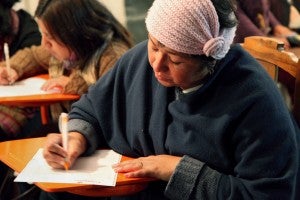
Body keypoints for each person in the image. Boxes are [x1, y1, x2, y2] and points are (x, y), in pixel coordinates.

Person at [42, 0, 300, 199]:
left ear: (210, 60)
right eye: (154, 46)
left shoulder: (255, 101)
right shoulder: (138, 60)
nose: (156, 64)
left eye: (175, 60)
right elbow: (91, 109)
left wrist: (175, 169)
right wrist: (75, 138)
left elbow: (266, 193)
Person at [0, 0, 133, 140]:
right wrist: (12, 68)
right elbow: (32, 55)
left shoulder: (113, 56)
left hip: (98, 140)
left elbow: (110, 109)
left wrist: (76, 84)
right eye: (42, 35)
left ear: (75, 33)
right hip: (68, 129)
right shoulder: (67, 49)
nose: (44, 44)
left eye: (49, 37)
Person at [234, 0, 300, 48]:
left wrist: (276, 25)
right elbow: (236, 12)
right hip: (240, 44)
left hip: (261, 36)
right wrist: (262, 38)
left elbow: (264, 7)